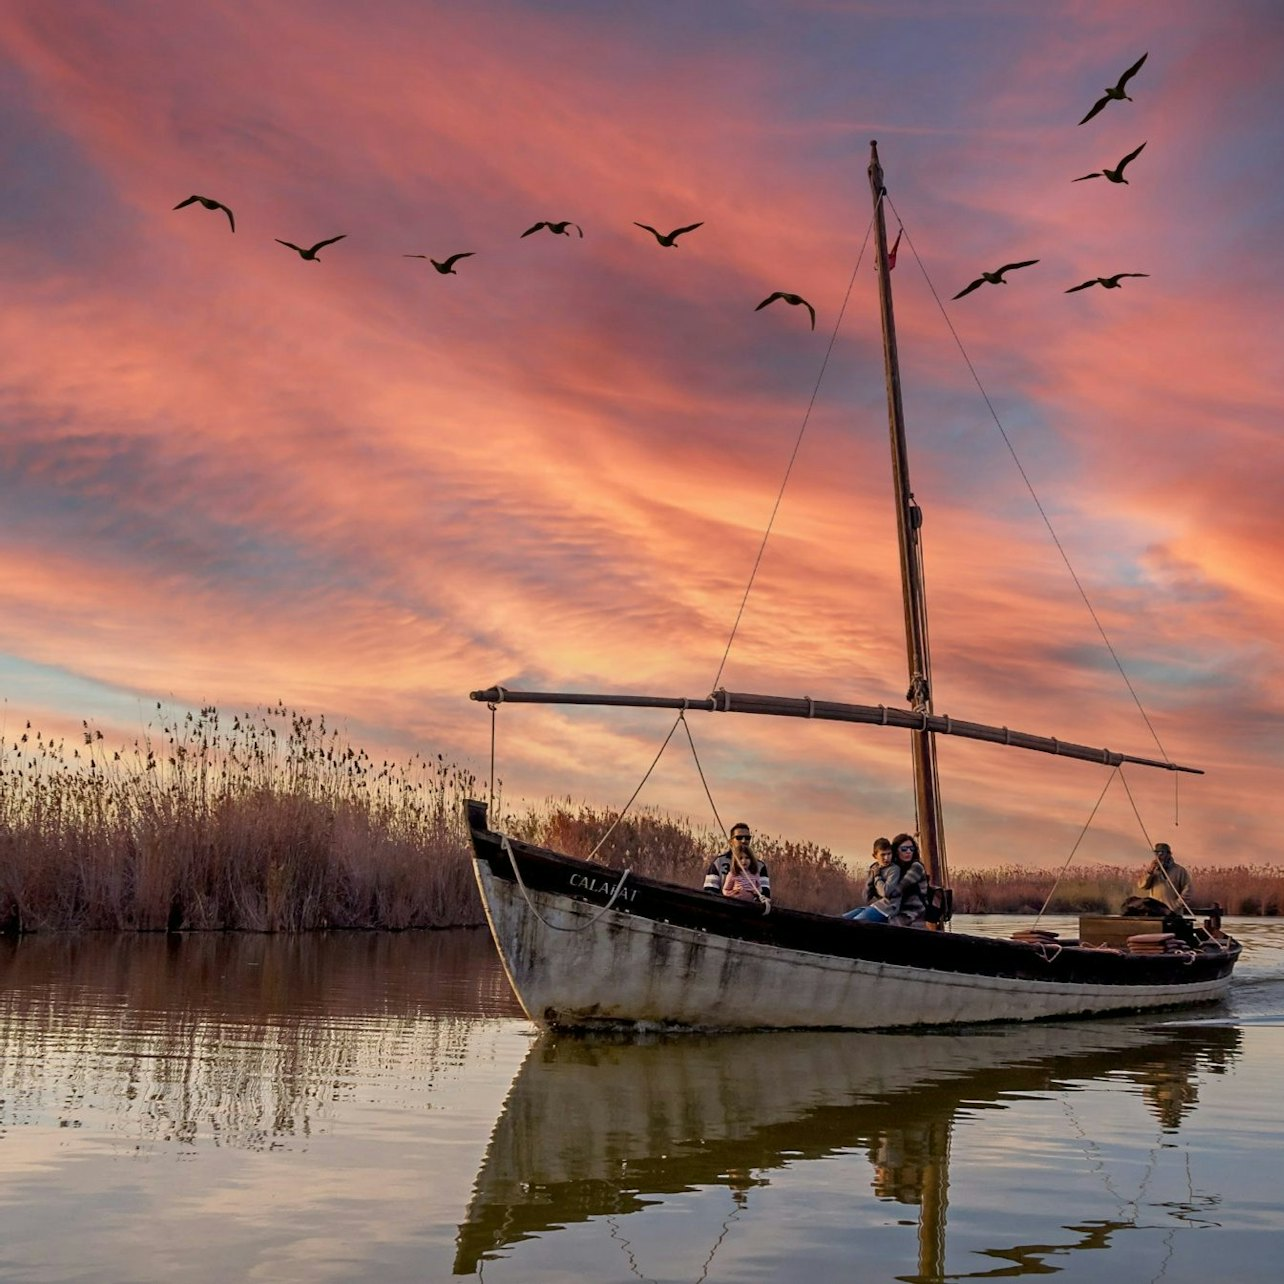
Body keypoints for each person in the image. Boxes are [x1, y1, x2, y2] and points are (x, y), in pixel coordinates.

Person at [845, 833, 928, 926]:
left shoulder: (916, 867)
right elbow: (867, 897)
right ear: (896, 851)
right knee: (844, 919)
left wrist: (877, 877)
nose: (908, 851)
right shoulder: (895, 867)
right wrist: (872, 875)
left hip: (910, 913)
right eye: (904, 849)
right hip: (894, 909)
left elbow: (894, 891)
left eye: (911, 849)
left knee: (858, 923)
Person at [703, 823, 771, 903]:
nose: (744, 841)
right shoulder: (719, 862)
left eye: (747, 838)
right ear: (731, 841)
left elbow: (765, 894)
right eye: (739, 838)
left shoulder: (760, 866)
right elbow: (709, 892)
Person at [1136, 842, 1191, 912]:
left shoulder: (1179, 870)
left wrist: (1176, 905)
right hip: (1155, 912)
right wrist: (1150, 872)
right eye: (1157, 853)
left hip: (1172, 913)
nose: (1159, 856)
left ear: (1169, 854)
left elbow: (1188, 890)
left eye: (1162, 853)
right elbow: (1142, 886)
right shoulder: (1153, 870)